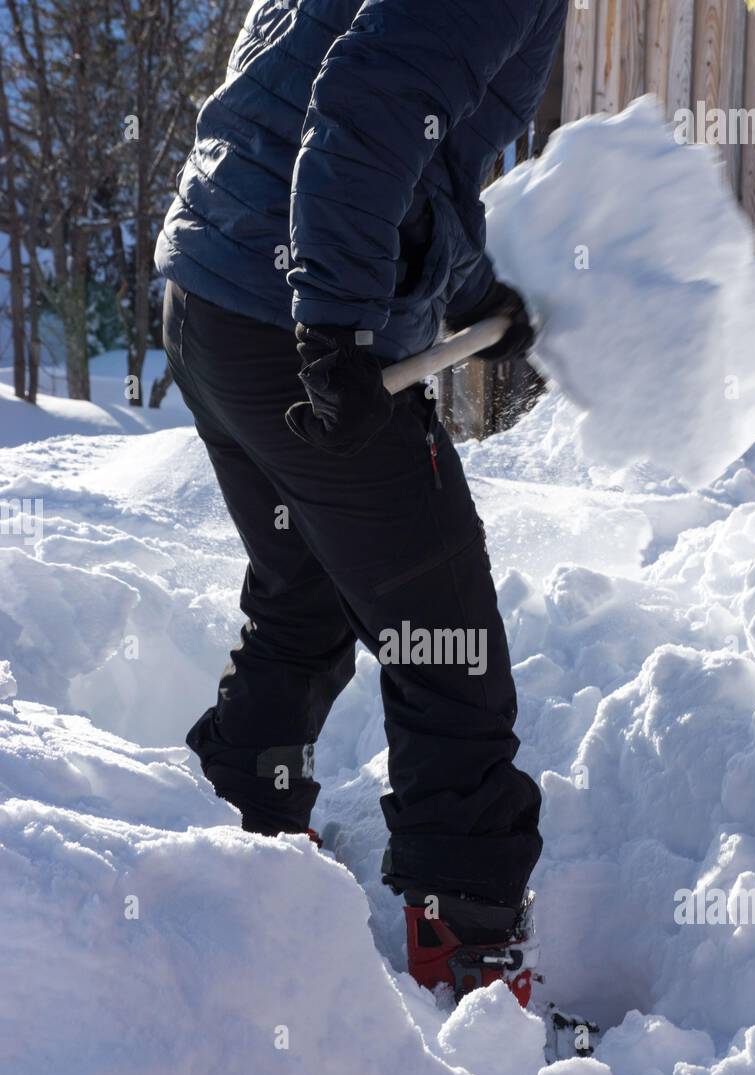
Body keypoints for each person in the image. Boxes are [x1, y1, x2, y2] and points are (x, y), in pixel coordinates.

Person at [156, 0, 567, 1004]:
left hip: (214, 288)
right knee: (445, 641)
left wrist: (464, 292)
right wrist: (334, 321)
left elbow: (331, 105)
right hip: (292, 315)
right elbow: (367, 102)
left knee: (304, 587)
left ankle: (240, 859)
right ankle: (469, 971)